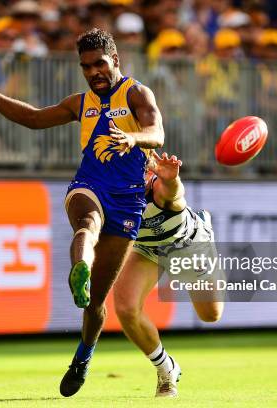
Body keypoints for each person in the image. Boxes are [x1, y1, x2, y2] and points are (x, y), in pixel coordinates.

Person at [0, 28, 165, 397]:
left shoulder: (136, 93)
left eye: (100, 64)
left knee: (97, 305)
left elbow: (156, 131)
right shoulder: (79, 102)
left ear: (115, 60)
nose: (93, 72)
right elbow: (35, 118)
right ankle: (78, 270)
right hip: (89, 187)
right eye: (86, 67)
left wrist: (134, 138)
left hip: (130, 200)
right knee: (87, 222)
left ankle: (83, 355)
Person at [113, 151, 224, 397]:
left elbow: (174, 192)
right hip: (148, 250)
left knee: (210, 315)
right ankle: (166, 369)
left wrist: (172, 179)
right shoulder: (111, 195)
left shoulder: (159, 190)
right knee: (125, 307)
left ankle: (203, 226)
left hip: (188, 246)